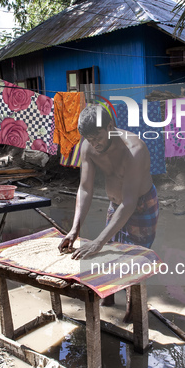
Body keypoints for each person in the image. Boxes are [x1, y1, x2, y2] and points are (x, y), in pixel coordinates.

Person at [58, 105, 159, 315]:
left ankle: (134, 314)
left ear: (110, 127)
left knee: (132, 264)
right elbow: (85, 188)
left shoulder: (135, 149)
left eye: (98, 137)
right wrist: (74, 230)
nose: (95, 144)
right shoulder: (88, 147)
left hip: (140, 205)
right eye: (90, 139)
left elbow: (130, 202)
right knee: (106, 258)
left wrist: (97, 241)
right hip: (115, 206)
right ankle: (108, 306)